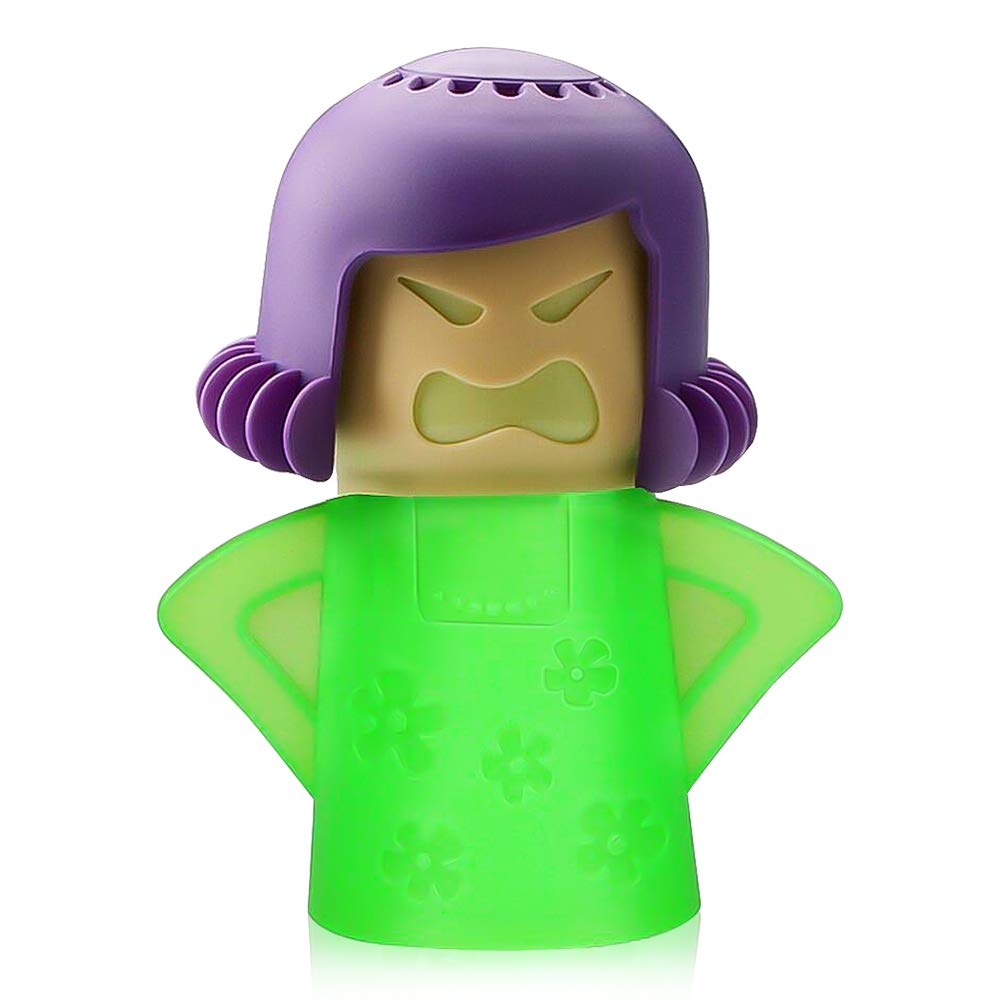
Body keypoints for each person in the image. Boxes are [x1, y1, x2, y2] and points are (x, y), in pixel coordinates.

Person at [160, 48, 841, 949]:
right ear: (325, 341)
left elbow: (772, 611)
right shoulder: (341, 550)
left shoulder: (641, 549)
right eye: (441, 310)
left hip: (625, 918)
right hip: (383, 914)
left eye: (572, 308)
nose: (509, 355)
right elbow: (223, 618)